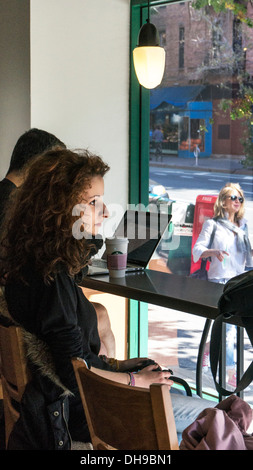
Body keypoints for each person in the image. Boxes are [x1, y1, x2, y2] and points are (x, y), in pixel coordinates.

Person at [0, 148, 214, 449]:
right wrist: (137, 382)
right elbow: (77, 377)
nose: (105, 212)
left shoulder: (32, 263)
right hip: (83, 412)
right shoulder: (53, 279)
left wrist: (124, 369)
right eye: (93, 202)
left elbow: (75, 360)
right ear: (59, 207)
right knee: (213, 417)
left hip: (61, 401)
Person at [0, 128, 115, 357]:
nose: (106, 212)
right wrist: (130, 380)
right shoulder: (50, 269)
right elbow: (73, 368)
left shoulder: (22, 217)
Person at [192, 182, 253, 385]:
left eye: (240, 199)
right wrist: (213, 252)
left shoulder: (243, 226)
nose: (237, 201)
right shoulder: (213, 224)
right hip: (219, 280)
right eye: (233, 198)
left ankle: (208, 349)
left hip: (239, 281)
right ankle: (230, 373)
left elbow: (248, 253)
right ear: (223, 201)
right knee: (228, 330)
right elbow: (197, 249)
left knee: (234, 328)